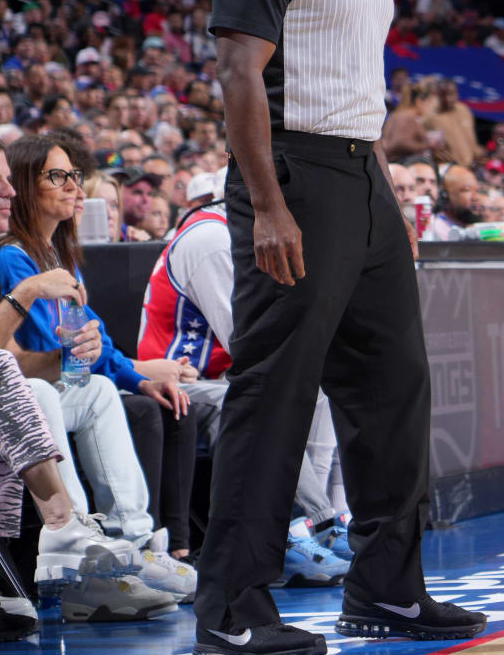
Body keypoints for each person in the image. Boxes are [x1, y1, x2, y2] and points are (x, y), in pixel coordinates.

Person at [193, 0, 485, 655]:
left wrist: (384, 195)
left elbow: (355, 86)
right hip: (297, 176)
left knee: (394, 389)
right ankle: (232, 607)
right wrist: (271, 206)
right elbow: (241, 73)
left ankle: (387, 592)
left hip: (361, 176)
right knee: (275, 392)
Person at [0, 135, 197, 606]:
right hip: (26, 396)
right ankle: (78, 534)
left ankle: (133, 540)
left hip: (62, 385)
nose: (72, 188)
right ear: (25, 185)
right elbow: (43, 351)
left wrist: (140, 377)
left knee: (105, 389)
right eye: (57, 176)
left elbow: (96, 344)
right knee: (85, 387)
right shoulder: (11, 257)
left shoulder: (61, 257)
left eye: (74, 176)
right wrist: (83, 350)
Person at [136, 167, 353, 586]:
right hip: (176, 381)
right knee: (260, 395)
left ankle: (314, 527)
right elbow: (247, 342)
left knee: (316, 381)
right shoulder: (210, 241)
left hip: (217, 378)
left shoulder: (236, 236)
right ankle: (317, 523)